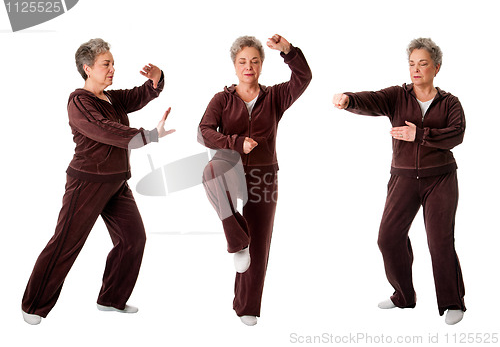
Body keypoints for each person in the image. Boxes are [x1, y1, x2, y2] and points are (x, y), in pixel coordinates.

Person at [21, 38, 174, 325]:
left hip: (117, 183)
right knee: (66, 244)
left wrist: (156, 79)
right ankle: (33, 306)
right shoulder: (79, 102)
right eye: (106, 64)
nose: (112, 69)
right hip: (87, 184)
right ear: (87, 68)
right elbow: (106, 130)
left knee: (133, 239)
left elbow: (140, 95)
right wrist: (150, 135)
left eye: (113, 63)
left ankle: (111, 299)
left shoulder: (112, 98)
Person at [332, 38, 466, 325]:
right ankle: (403, 296)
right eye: (411, 64)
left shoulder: (450, 103)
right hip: (403, 178)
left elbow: (457, 135)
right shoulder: (397, 96)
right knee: (388, 238)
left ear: (436, 67)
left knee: (439, 242)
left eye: (423, 64)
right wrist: (349, 99)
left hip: (440, 179)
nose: (415, 70)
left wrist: (420, 135)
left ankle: (453, 302)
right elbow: (371, 100)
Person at [198, 34, 312, 326]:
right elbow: (203, 132)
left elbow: (303, 77)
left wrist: (288, 51)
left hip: (264, 173)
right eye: (242, 61)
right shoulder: (222, 99)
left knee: (259, 244)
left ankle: (247, 306)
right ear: (234, 65)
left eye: (254, 61)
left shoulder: (275, 97)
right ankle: (237, 240)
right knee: (211, 172)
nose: (248, 66)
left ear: (261, 65)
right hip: (230, 165)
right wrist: (235, 142)